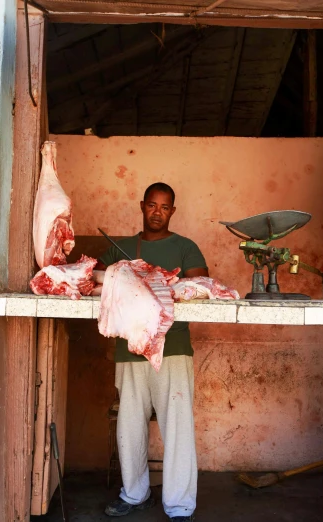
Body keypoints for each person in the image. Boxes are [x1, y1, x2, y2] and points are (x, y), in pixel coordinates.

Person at [96, 182, 208, 522]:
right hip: (130, 349)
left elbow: (199, 285)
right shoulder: (123, 248)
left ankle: (179, 505)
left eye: (165, 206)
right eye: (152, 205)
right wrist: (126, 276)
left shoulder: (186, 247)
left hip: (172, 349)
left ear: (173, 210)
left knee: (177, 425)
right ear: (142, 206)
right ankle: (134, 494)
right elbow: (93, 279)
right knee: (129, 424)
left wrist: (160, 281)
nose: (157, 211)